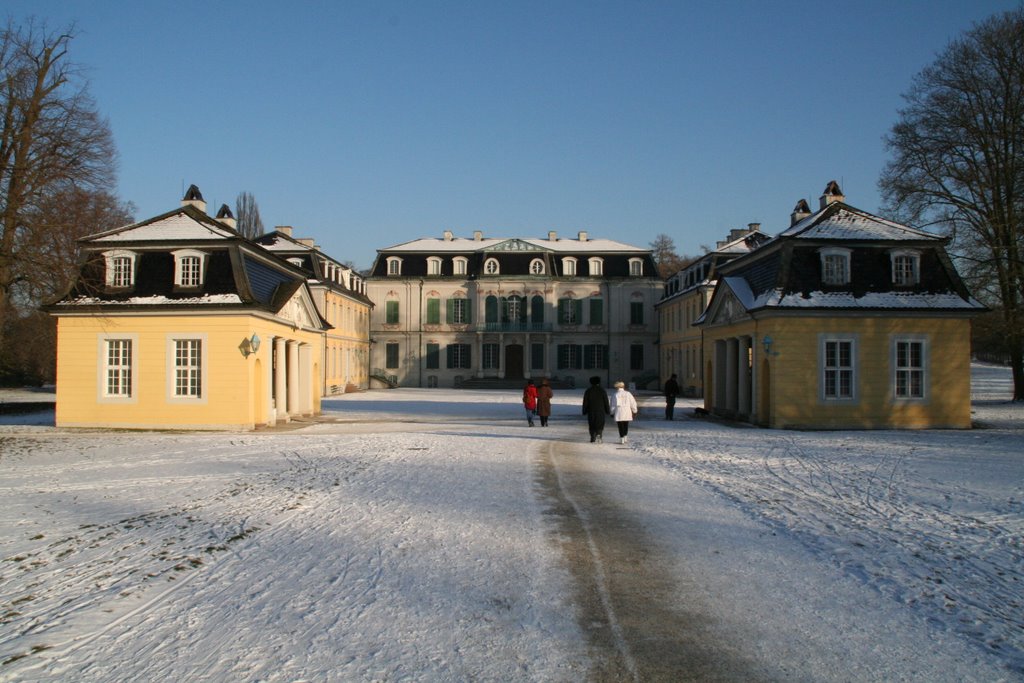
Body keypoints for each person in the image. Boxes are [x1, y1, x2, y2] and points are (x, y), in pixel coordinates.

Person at [581, 376, 610, 442]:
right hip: (600, 410)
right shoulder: (602, 390)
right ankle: (599, 434)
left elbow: (585, 402)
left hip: (591, 410)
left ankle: (592, 436)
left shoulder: (588, 391)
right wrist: (607, 410)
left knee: (592, 423)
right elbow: (606, 401)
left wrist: (584, 411)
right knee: (600, 423)